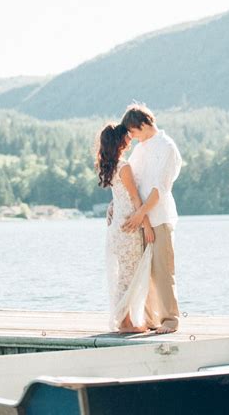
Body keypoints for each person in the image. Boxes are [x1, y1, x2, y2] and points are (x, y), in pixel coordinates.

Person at [121, 104, 182, 334]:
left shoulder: (167, 147)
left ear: (144, 124)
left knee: (163, 270)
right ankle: (151, 319)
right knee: (145, 272)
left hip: (159, 217)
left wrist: (141, 213)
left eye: (133, 132)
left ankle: (170, 320)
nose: (132, 137)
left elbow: (160, 188)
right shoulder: (141, 149)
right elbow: (131, 182)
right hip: (141, 219)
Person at [96, 122, 155, 333]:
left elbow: (119, 197)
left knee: (125, 274)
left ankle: (126, 320)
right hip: (128, 225)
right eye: (127, 136)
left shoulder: (111, 166)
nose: (130, 139)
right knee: (128, 275)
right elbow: (134, 198)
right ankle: (124, 323)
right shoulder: (124, 167)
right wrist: (146, 225)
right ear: (120, 141)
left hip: (118, 225)